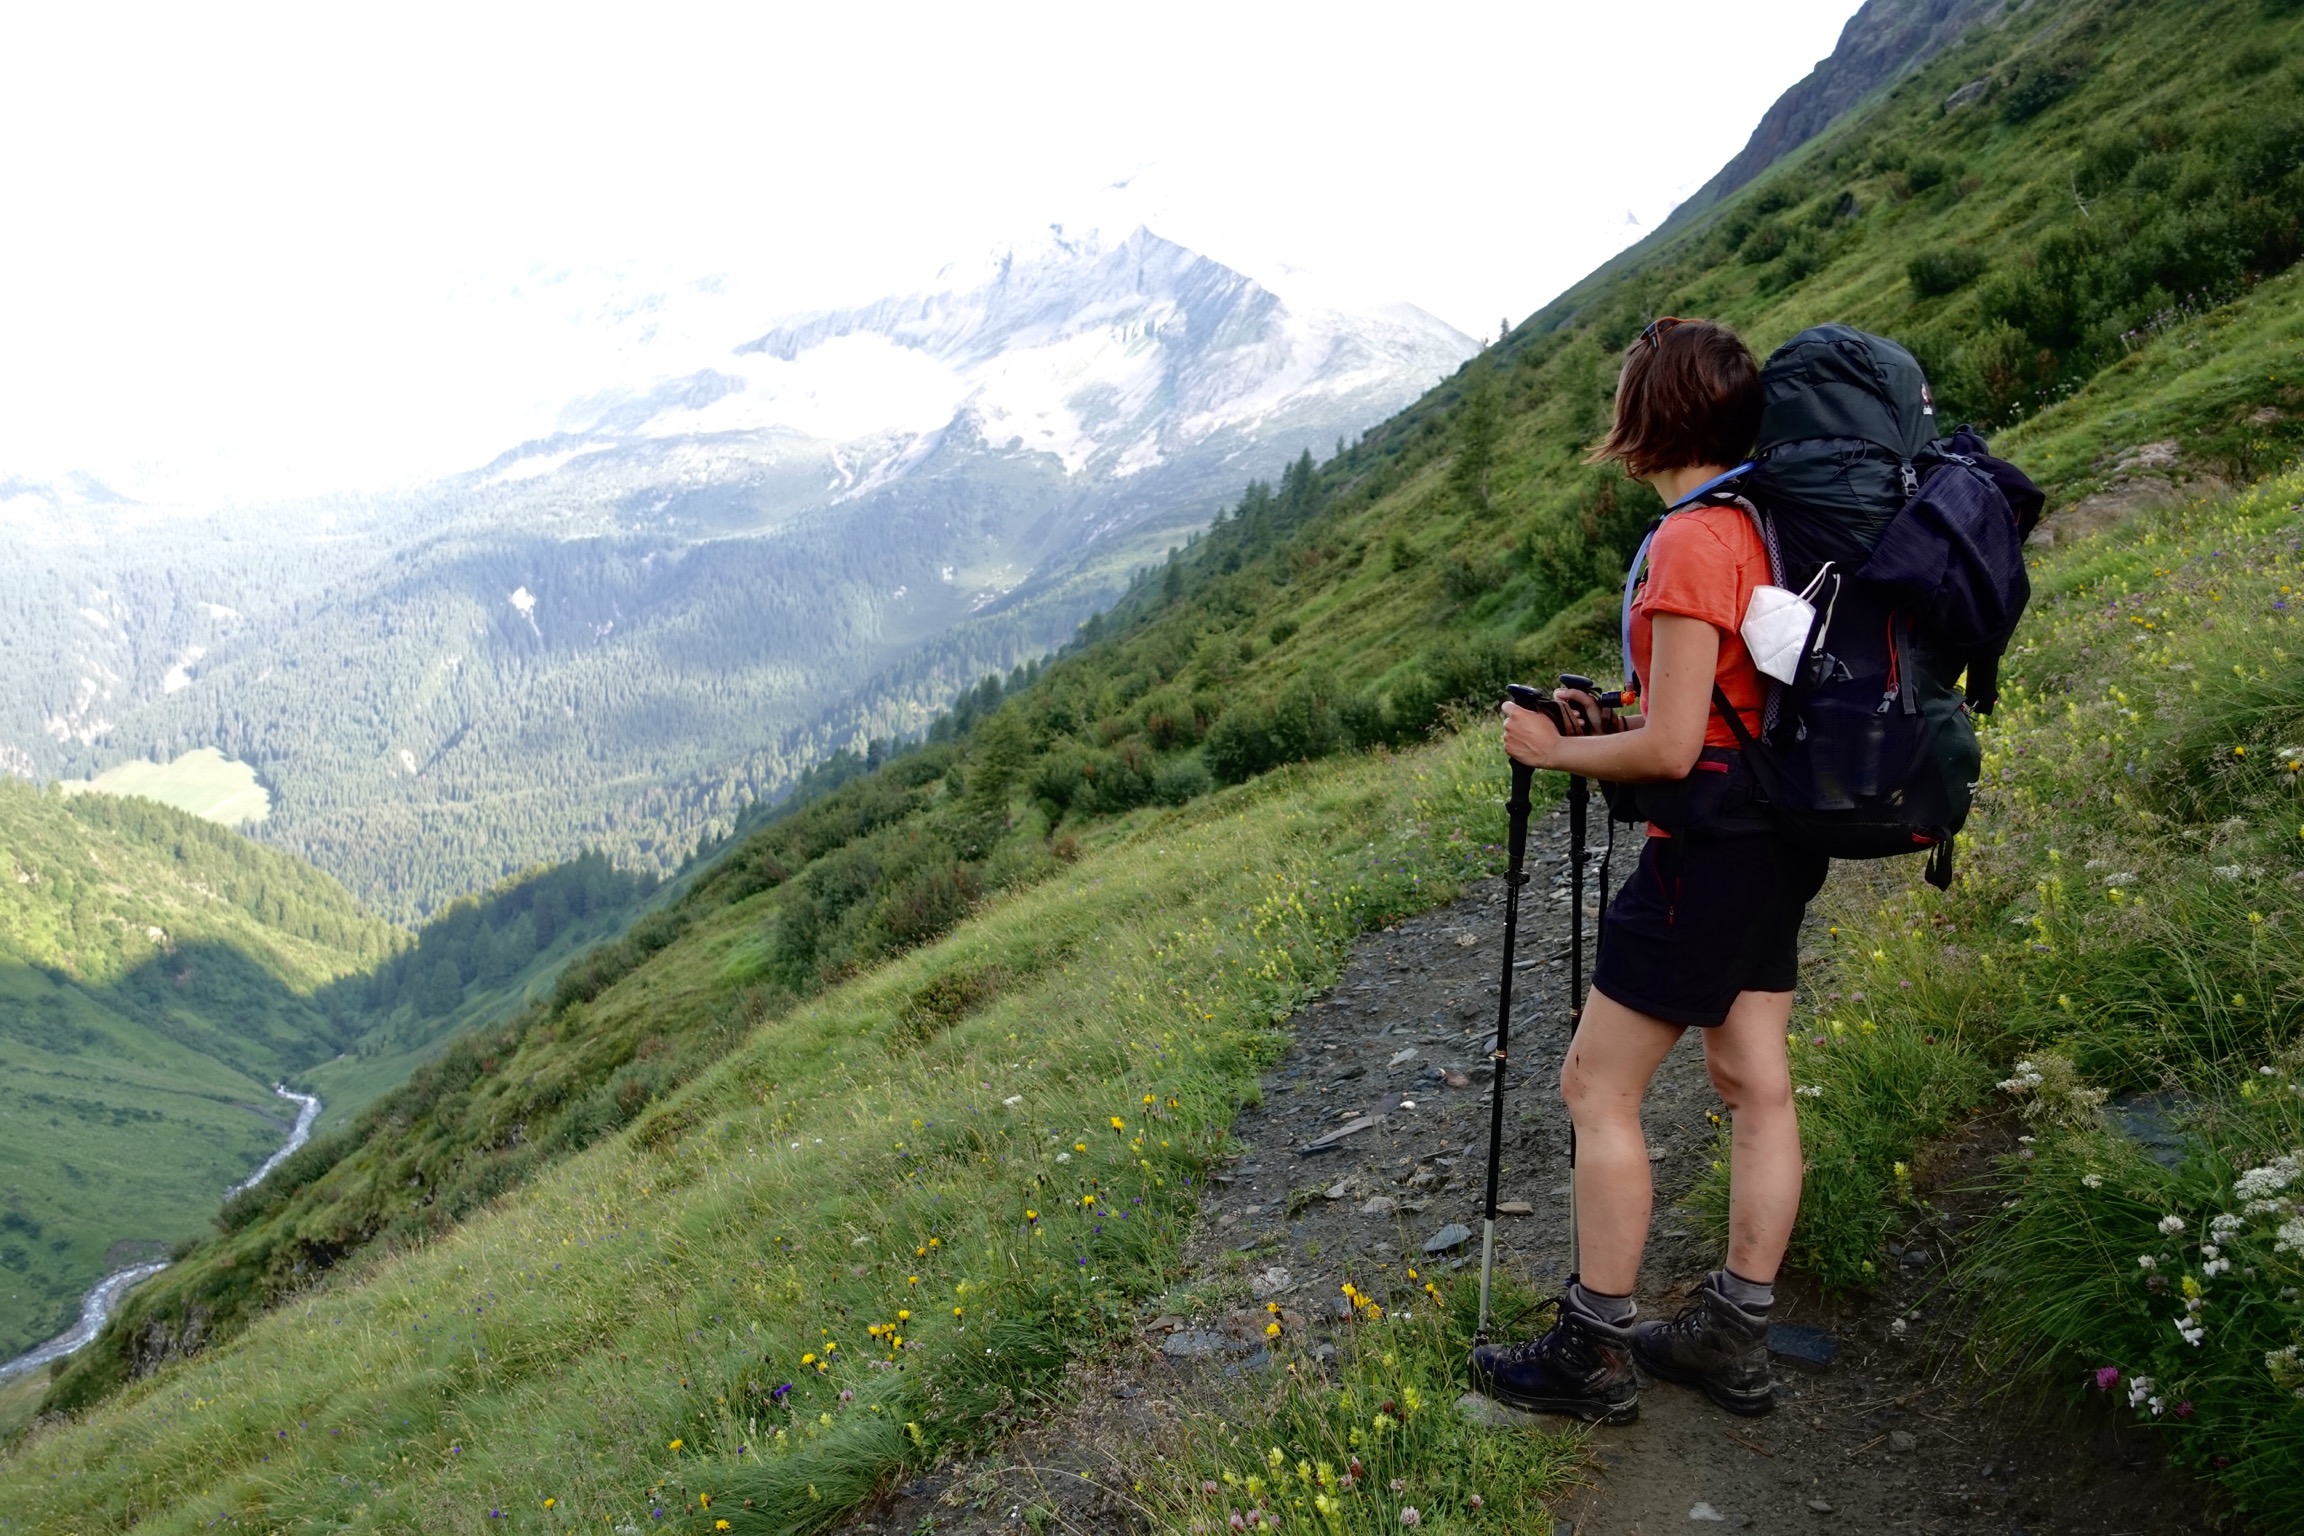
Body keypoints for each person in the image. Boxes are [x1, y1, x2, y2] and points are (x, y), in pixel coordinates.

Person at [1468, 317, 1821, 1423]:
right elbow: (1721, 699)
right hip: (1779, 835)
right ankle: (1732, 1328)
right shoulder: (1763, 520)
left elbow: (1673, 750)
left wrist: (1558, 748)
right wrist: (1608, 714)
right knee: (1753, 1079)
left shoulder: (1689, 541)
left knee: (1595, 1086)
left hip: (1707, 851)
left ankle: (1593, 1350)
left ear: (1650, 414)